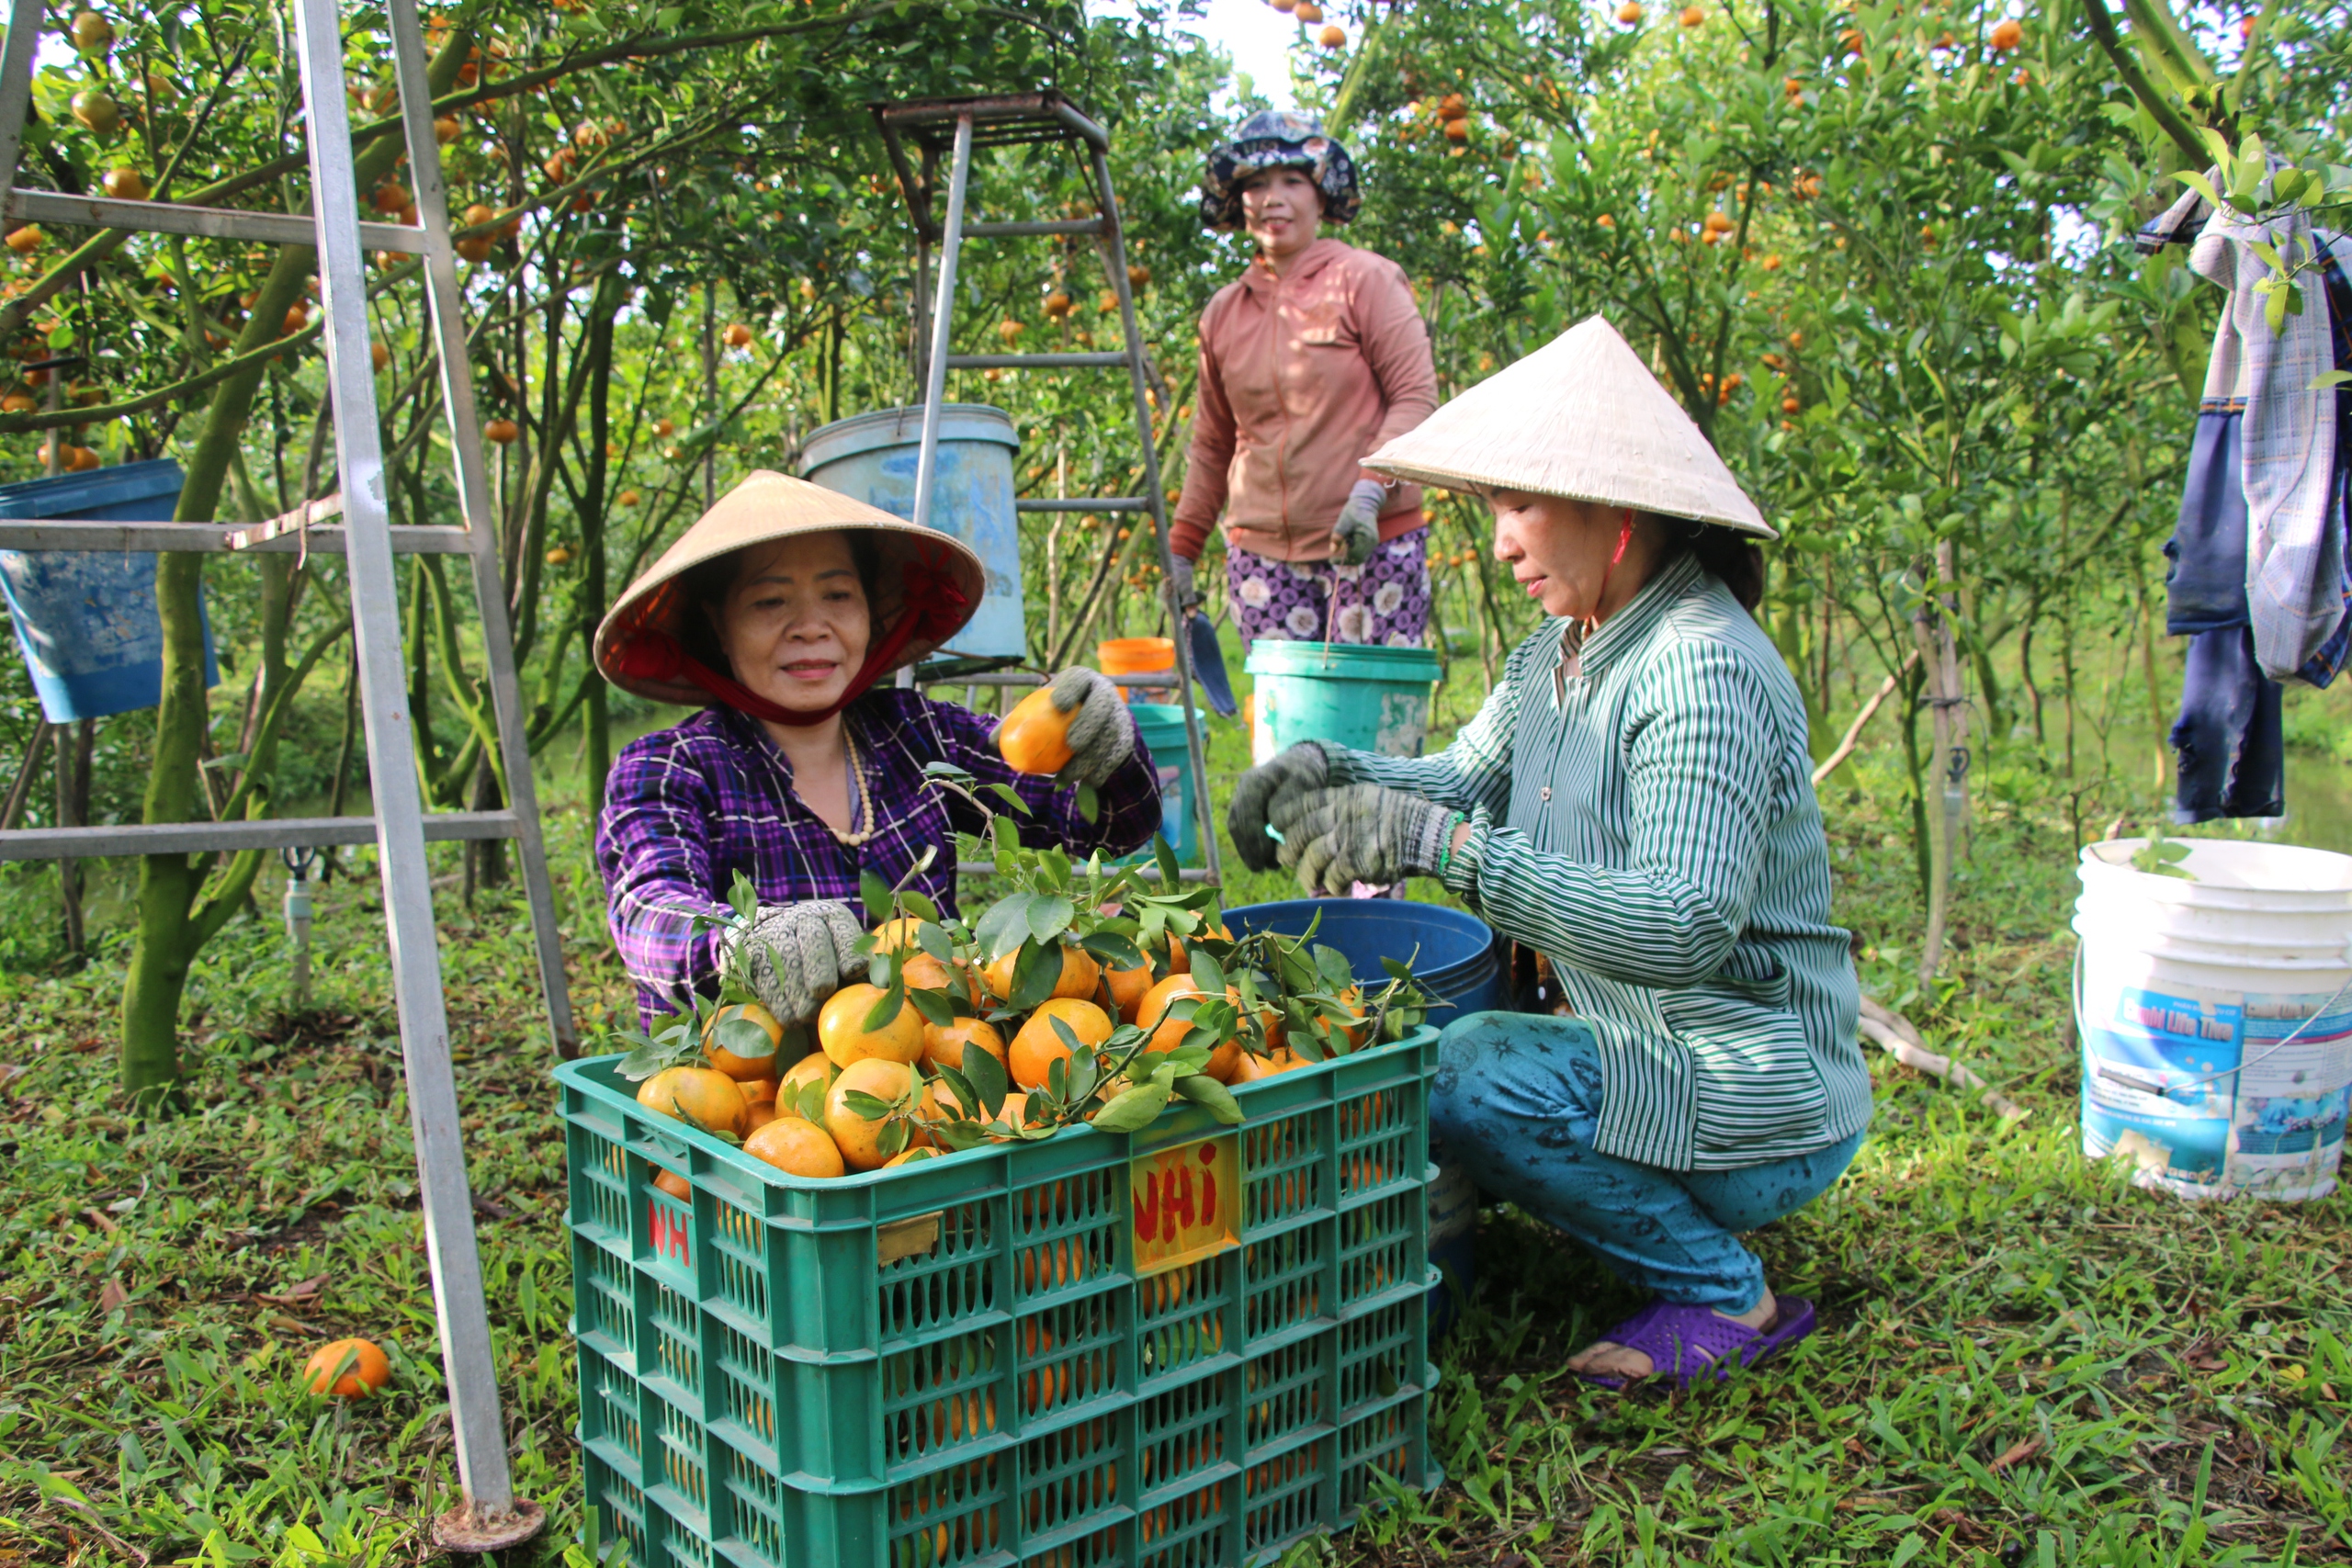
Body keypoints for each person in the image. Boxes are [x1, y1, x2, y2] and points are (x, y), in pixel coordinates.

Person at [1226, 316, 1872, 1388]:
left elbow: (1682, 923)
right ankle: (1599, 1184)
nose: (1501, 542)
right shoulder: (1559, 652)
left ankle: (1725, 1292)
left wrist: (1445, 847)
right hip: (1637, 1034)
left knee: (1470, 1068)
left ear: (1616, 511)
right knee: (1422, 1025)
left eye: (1519, 507)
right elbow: (1464, 778)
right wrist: (1331, 770)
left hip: (1754, 1081)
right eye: (1494, 510)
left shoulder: (1696, 670)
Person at [594, 471, 1163, 1027]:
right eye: (770, 602)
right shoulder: (668, 768)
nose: (811, 626)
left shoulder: (916, 735)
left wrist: (1106, 745)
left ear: (870, 611)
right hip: (747, 1106)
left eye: (838, 595)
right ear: (718, 625)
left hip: (928, 1077)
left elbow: (1104, 826)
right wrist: (742, 940)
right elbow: (650, 909)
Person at [1170, 110, 1441, 649]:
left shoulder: (1365, 280)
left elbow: (1416, 398)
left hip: (1373, 546)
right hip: (1264, 562)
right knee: (1286, 728)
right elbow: (1214, 442)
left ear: (1321, 196)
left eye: (1292, 181)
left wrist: (1369, 495)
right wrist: (1182, 548)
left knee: (1371, 725)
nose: (1274, 198)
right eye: (1256, 184)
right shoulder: (1223, 313)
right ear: (1237, 202)